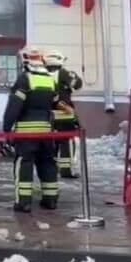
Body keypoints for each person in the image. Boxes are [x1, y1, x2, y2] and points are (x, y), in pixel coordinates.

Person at [3, 46, 61, 213]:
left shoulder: (24, 79)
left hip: (26, 132)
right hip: (46, 131)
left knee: (24, 164)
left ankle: (24, 202)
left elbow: (14, 106)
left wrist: (7, 128)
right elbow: (55, 103)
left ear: (25, 60)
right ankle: (50, 200)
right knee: (48, 163)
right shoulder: (51, 80)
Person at [45, 51, 84, 180]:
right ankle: (66, 170)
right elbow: (77, 84)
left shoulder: (42, 74)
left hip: (48, 115)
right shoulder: (63, 73)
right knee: (67, 142)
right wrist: (75, 76)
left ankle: (52, 168)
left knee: (52, 143)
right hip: (64, 114)